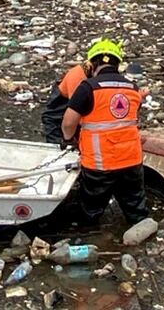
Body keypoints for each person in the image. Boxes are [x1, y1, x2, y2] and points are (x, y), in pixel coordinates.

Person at [61, 39, 149, 224]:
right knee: (136, 208)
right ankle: (142, 232)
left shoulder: (88, 88)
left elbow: (68, 123)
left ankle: (92, 236)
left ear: (94, 64)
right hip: (131, 161)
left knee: (90, 211)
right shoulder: (133, 89)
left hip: (100, 164)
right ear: (117, 64)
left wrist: (68, 140)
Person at [40, 59, 91, 146]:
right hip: (58, 114)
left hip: (75, 111)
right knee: (58, 146)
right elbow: (75, 110)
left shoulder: (90, 74)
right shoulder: (77, 76)